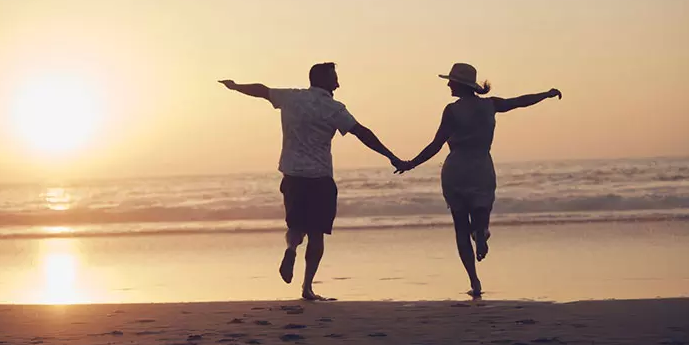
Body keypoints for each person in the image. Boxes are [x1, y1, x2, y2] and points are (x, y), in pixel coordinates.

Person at [219, 62, 403, 300]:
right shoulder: (334, 109)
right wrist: (392, 157)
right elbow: (362, 133)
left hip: (293, 175)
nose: (338, 82)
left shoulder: (291, 98)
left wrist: (235, 87)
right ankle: (307, 287)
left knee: (295, 226)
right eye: (334, 77)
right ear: (323, 80)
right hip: (320, 178)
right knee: (316, 234)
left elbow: (262, 90)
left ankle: (291, 249)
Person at [396, 63, 561, 297]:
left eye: (451, 81)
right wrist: (545, 94)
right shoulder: (490, 105)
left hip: (456, 169)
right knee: (481, 210)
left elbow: (436, 145)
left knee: (461, 228)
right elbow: (519, 101)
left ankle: (475, 281)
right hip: (481, 166)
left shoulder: (452, 111)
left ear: (458, 84)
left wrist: (410, 163)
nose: (448, 84)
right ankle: (482, 232)